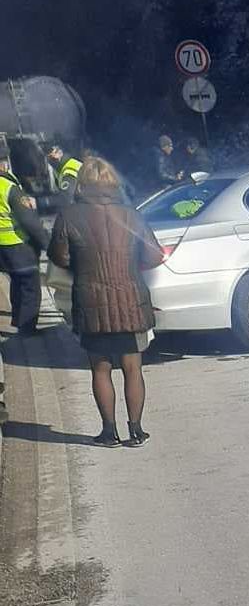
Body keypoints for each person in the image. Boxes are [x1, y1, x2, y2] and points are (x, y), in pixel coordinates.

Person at [49, 157, 165, 447]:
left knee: (100, 369)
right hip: (130, 301)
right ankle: (136, 431)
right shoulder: (131, 214)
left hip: (91, 302)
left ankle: (108, 432)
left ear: (82, 183)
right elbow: (153, 255)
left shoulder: (69, 215)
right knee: (132, 367)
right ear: (112, 182)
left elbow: (59, 257)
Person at [0, 142, 50, 336]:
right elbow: (29, 221)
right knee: (29, 287)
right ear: (3, 163)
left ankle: (18, 320)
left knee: (17, 282)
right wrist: (47, 243)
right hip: (18, 246)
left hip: (3, 248)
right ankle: (27, 328)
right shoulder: (9, 187)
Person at [35, 144, 83, 212]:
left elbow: (65, 199)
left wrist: (38, 202)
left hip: (81, 210)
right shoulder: (68, 164)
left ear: (60, 152)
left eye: (51, 156)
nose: (50, 160)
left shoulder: (69, 170)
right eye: (48, 157)